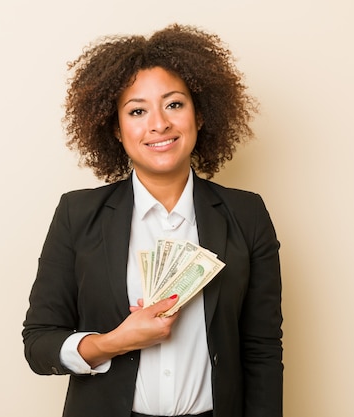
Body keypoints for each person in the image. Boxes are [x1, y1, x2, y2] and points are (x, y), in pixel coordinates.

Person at [22, 23, 283, 417]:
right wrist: (113, 342)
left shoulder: (246, 214)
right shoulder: (77, 215)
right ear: (116, 127)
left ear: (200, 114)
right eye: (138, 110)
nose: (159, 123)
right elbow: (39, 345)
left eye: (174, 104)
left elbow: (262, 350)